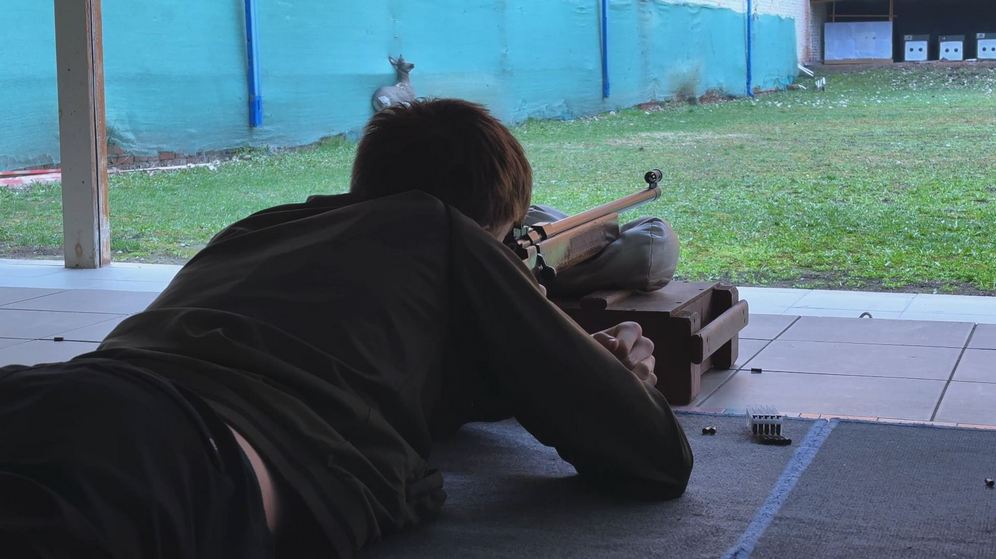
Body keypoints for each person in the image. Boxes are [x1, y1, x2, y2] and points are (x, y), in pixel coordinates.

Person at [0, 99, 692, 558]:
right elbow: (654, 457)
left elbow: (394, 374)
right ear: (490, 232)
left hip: (50, 392)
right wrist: (619, 379)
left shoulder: (258, 228)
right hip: (173, 449)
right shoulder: (441, 228)